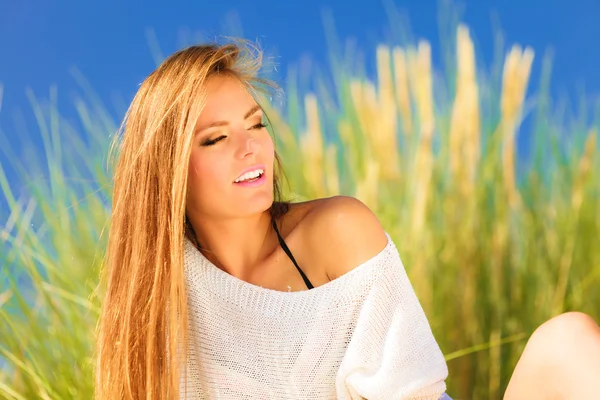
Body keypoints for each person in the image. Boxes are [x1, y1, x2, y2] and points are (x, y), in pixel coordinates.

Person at [94, 40, 600, 399]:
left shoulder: (334, 232)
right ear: (168, 172)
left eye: (255, 123)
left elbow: (413, 392)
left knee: (568, 341)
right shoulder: (157, 301)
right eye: (215, 138)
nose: (251, 147)